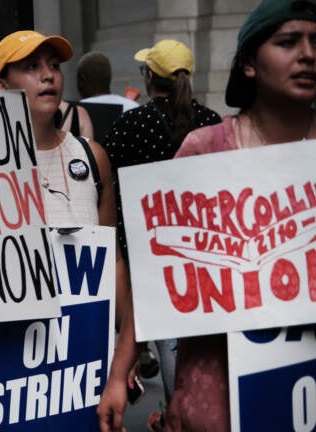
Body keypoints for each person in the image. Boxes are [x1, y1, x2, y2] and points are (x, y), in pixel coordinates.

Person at [148, 2, 316, 430]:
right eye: (288, 42)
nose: (309, 54)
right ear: (247, 64)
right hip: (219, 398)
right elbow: (165, 279)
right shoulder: (204, 149)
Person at [0, 29, 137, 432]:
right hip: (7, 368)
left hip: (85, 361)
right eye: (31, 67)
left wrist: (127, 351)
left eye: (54, 66)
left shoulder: (92, 157)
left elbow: (114, 259)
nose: (49, 75)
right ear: (1, 85)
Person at [103, 39, 222, 409]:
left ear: (149, 76)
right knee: (190, 347)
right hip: (203, 254)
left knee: (155, 336)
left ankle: (175, 410)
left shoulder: (132, 124)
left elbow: (105, 179)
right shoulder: (213, 123)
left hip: (141, 251)